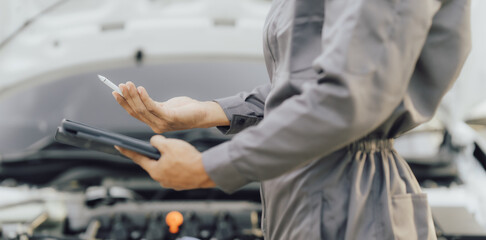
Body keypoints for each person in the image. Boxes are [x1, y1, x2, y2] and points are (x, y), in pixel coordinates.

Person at [112, 0, 471, 239]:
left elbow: (349, 97)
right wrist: (209, 111)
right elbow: (312, 87)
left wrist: (208, 168)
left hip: (351, 197)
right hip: (307, 190)